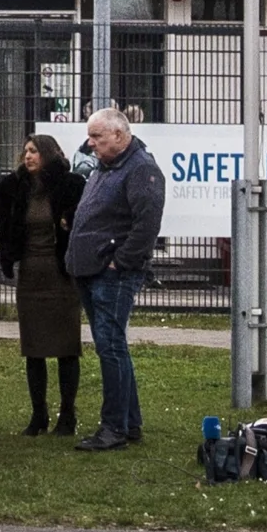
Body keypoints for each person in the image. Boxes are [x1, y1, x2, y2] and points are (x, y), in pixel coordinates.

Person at [63, 107, 165, 451]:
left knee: (111, 348)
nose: (90, 144)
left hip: (112, 274)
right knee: (113, 346)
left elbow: (146, 225)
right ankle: (129, 422)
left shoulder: (141, 170)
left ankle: (114, 428)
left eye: (97, 137)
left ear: (120, 136)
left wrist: (119, 264)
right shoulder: (107, 167)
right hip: (91, 270)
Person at [0, 130, 87, 437]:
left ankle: (67, 415)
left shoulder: (71, 185)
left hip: (61, 275)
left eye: (34, 151)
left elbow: (84, 217)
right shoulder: (17, 186)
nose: (27, 156)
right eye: (25, 151)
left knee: (67, 347)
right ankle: (38, 414)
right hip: (30, 274)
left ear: (48, 153)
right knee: (34, 348)